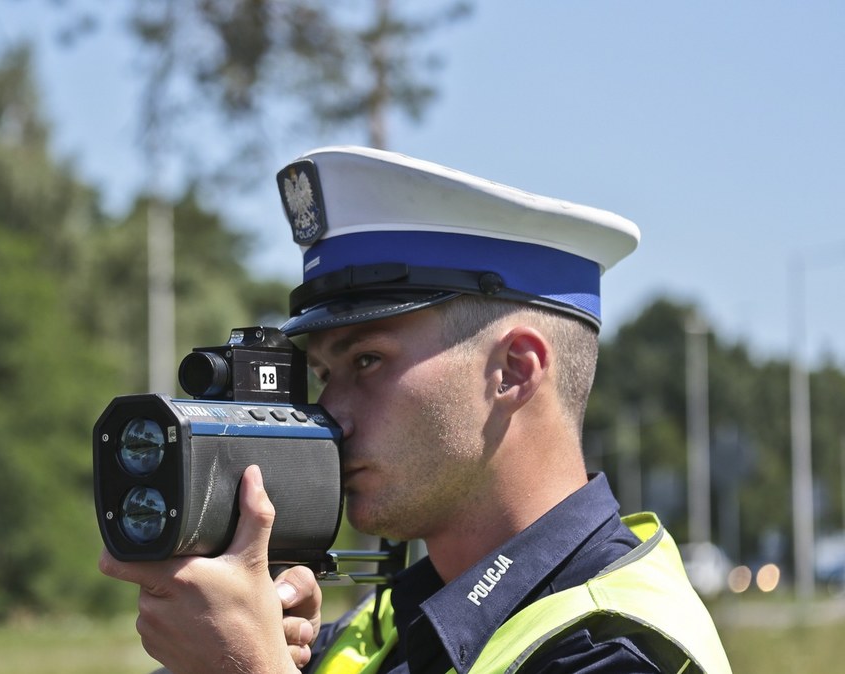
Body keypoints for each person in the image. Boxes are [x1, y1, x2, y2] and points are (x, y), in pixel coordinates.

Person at [99, 146, 732, 673]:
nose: (332, 413)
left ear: (514, 371)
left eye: (367, 361)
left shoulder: (615, 650)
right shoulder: (390, 631)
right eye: (322, 374)